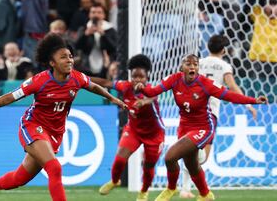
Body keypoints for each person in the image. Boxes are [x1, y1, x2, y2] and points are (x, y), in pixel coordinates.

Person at [0, 34, 127, 201]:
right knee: (54, 167)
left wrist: (112, 98)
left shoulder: (77, 78)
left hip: (55, 133)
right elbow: (9, 97)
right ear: (52, 63)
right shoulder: (40, 81)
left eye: (70, 56)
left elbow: (93, 86)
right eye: (63, 57)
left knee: (20, 178)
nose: (69, 60)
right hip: (33, 126)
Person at [135, 54, 267, 201]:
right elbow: (153, 92)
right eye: (188, 64)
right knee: (191, 165)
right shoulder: (174, 79)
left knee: (170, 157)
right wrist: (142, 89)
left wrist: (253, 100)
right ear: (182, 67)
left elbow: (229, 95)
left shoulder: (205, 83)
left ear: (198, 67)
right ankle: (206, 194)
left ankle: (171, 189)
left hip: (203, 127)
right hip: (184, 127)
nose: (192, 67)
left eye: (195, 64)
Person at [179, 35, 258, 198]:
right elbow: (232, 86)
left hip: (191, 110)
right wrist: (248, 104)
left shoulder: (198, 63)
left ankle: (185, 188)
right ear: (224, 50)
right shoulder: (224, 66)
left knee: (191, 152)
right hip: (208, 114)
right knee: (201, 157)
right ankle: (187, 187)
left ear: (208, 48)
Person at [93, 54, 165, 201]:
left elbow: (154, 97)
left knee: (148, 166)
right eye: (135, 76)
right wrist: (82, 78)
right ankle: (115, 181)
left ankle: (144, 191)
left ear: (147, 77)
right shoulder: (125, 86)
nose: (138, 80)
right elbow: (106, 82)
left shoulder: (151, 89)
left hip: (154, 134)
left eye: (141, 77)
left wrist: (144, 101)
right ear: (130, 76)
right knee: (119, 159)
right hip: (133, 130)